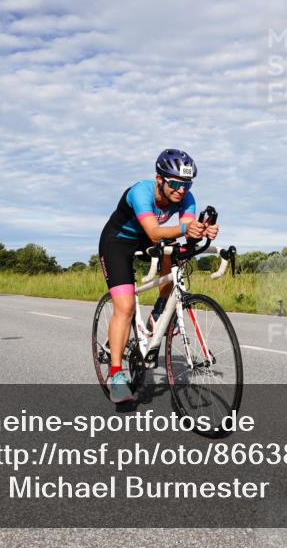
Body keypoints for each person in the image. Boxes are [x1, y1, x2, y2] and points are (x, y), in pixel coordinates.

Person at [98, 149, 219, 403]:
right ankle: (117, 375)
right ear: (159, 179)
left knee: (175, 251)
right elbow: (154, 231)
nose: (181, 191)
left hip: (151, 239)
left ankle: (159, 312)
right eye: (174, 183)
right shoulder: (140, 192)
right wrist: (186, 228)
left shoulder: (186, 197)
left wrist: (202, 231)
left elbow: (185, 230)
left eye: (186, 184)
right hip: (117, 242)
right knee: (126, 306)